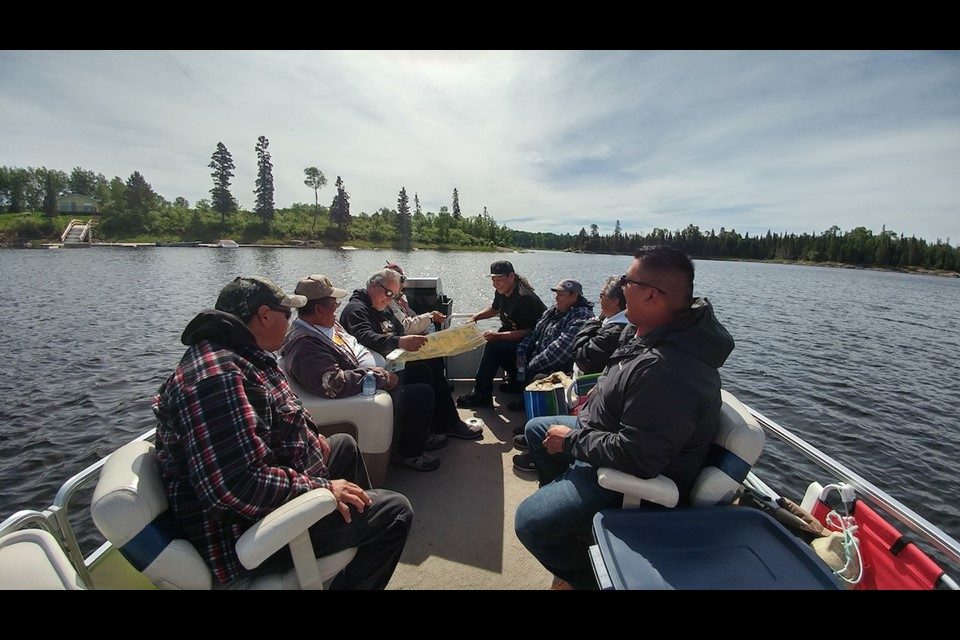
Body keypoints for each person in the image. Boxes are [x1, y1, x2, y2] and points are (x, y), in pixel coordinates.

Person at [152, 276, 413, 588]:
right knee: (395, 512)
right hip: (246, 535)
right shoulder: (216, 378)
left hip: (270, 495)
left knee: (342, 445)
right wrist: (323, 488)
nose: (291, 323)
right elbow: (235, 487)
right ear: (264, 315)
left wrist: (309, 435)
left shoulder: (242, 354)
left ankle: (350, 551)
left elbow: (271, 416)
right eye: (287, 314)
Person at [513, 246, 735, 590]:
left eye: (626, 280)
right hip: (603, 433)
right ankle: (573, 525)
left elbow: (639, 456)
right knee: (536, 429)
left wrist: (572, 440)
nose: (620, 286)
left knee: (529, 523)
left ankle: (589, 580)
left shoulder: (668, 370)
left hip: (624, 475)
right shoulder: (648, 330)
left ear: (651, 295)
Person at [279, 273, 444, 472]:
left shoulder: (325, 324)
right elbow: (333, 383)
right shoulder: (305, 345)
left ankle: (420, 436)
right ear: (318, 308)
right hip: (361, 391)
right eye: (334, 302)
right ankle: (409, 453)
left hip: (372, 373)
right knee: (422, 394)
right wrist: (381, 378)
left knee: (422, 371)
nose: (338, 306)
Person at [340, 268, 482, 440]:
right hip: (376, 369)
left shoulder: (381, 307)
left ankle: (439, 424)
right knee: (424, 373)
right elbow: (365, 337)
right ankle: (445, 425)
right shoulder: (356, 310)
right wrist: (400, 342)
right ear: (373, 286)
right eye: (388, 293)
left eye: (394, 295)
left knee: (433, 362)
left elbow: (399, 330)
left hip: (393, 359)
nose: (390, 298)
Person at [456, 260, 546, 408]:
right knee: (497, 342)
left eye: (499, 279)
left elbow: (528, 331)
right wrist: (475, 317)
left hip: (532, 343)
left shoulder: (525, 298)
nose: (495, 283)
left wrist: (497, 337)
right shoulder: (502, 291)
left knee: (494, 346)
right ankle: (516, 382)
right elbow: (494, 308)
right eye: (493, 279)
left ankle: (481, 395)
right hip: (518, 339)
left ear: (511, 276)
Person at [572, 275, 633, 376]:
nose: (599, 300)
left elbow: (581, 356)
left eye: (602, 296)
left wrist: (593, 322)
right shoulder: (629, 323)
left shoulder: (614, 332)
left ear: (614, 301)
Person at [384, 261, 447, 335]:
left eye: (404, 279)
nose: (403, 283)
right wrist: (431, 317)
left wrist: (425, 320)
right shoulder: (386, 300)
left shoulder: (400, 297)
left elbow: (411, 317)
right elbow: (404, 327)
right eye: (402, 279)